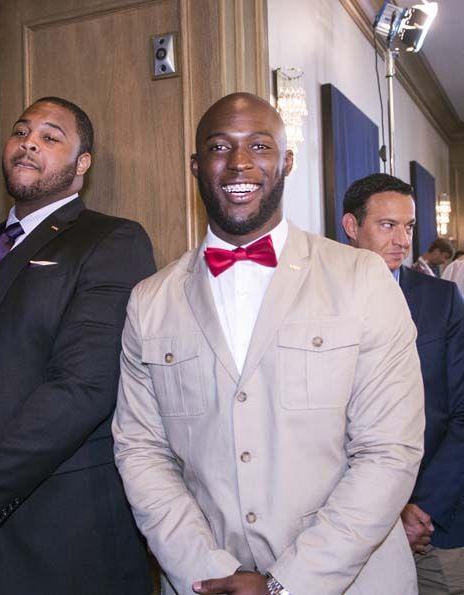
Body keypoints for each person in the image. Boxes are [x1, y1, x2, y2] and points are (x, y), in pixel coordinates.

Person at [112, 92, 425, 595]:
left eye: (259, 145)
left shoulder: (363, 278)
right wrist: (206, 570)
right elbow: (141, 452)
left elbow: (389, 452)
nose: (239, 162)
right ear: (196, 165)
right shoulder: (149, 301)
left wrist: (286, 584)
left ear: (287, 161)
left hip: (352, 581)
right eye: (219, 146)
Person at [0, 96, 155, 595]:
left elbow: (82, 389)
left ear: (82, 165)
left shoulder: (112, 242)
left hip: (62, 545)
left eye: (50, 136)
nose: (29, 144)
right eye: (21, 132)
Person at [342, 173, 464, 595]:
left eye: (409, 226)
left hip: (433, 523)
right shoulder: (320, 299)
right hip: (345, 523)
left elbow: (461, 414)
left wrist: (420, 509)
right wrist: (377, 511)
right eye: (387, 225)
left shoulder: (440, 300)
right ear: (352, 228)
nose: (402, 240)